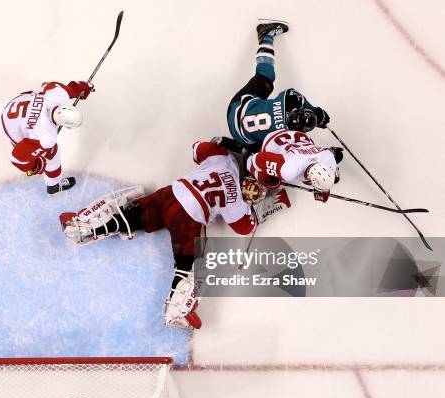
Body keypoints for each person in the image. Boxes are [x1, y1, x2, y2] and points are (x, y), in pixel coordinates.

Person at [58, 140, 264, 330]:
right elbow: (245, 227)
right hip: (188, 218)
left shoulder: (221, 157)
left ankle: (81, 227)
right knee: (191, 264)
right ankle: (177, 311)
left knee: (132, 215)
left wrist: (221, 144)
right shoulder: (237, 198)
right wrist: (254, 208)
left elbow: (197, 148)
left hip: (171, 195)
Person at [227, 19, 330, 150]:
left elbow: (298, 99)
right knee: (262, 148)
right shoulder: (287, 137)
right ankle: (240, 148)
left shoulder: (287, 99)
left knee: (265, 76)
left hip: (237, 109)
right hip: (241, 137)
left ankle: (266, 36)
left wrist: (317, 114)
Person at [1, 80, 93, 195]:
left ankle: (51, 180)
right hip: (11, 126)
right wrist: (35, 166)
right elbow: (17, 158)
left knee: (41, 95)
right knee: (52, 153)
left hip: (15, 104)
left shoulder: (58, 94)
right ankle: (53, 185)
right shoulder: (46, 137)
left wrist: (79, 89)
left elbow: (49, 85)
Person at [246, 129, 344, 202]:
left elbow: (333, 153)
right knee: (272, 182)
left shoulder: (330, 159)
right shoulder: (288, 170)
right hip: (274, 141)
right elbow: (256, 159)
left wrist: (324, 187)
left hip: (299, 138)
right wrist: (267, 180)